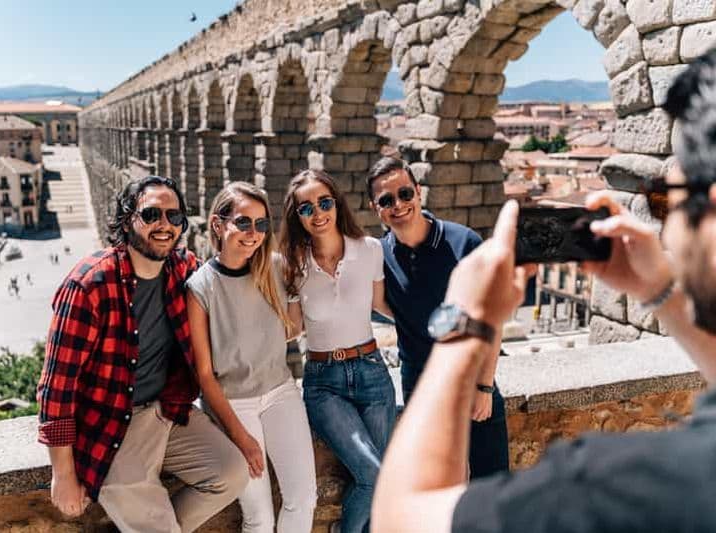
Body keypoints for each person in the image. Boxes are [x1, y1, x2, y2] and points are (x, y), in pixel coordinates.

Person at [372, 49, 716, 533]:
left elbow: (401, 516)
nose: (665, 224)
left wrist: (464, 322)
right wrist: (660, 290)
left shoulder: (614, 486)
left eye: (665, 202)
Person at [36, 175, 248, 533]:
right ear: (126, 220)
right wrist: (63, 472)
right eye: (151, 215)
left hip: (168, 410)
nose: (165, 225)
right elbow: (57, 386)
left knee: (232, 473)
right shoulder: (89, 285)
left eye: (175, 217)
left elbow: (228, 285)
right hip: (111, 425)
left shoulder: (183, 269)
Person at [366, 156, 509, 479]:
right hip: (422, 388)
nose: (398, 205)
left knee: (493, 483)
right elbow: (384, 304)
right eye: (386, 200)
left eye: (405, 194)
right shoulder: (378, 255)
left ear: (418, 192)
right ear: (376, 208)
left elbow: (493, 317)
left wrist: (485, 387)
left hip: (473, 381)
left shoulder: (463, 242)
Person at [187, 182, 317, 533]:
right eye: (244, 223)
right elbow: (204, 375)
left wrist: (295, 286)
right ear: (218, 224)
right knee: (258, 518)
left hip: (280, 392)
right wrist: (241, 438)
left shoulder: (274, 266)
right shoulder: (200, 287)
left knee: (303, 499)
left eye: (261, 225)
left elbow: (290, 329)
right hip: (234, 403)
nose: (254, 234)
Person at [279, 169, 396, 533]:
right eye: (306, 208)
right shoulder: (292, 264)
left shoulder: (370, 250)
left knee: (381, 483)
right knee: (374, 474)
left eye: (324, 202)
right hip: (324, 383)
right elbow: (291, 329)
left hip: (373, 373)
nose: (318, 213)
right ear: (296, 216)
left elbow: (385, 305)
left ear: (337, 203)